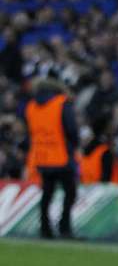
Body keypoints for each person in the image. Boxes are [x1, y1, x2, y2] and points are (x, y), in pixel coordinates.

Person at [24, 78, 79, 238]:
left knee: (47, 193)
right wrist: (73, 145)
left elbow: (31, 132)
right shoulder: (62, 103)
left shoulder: (31, 106)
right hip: (61, 156)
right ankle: (64, 227)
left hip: (41, 156)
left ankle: (45, 228)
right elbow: (71, 129)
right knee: (70, 192)